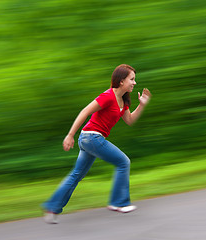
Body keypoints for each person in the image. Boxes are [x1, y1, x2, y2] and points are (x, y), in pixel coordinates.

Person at [42, 64, 151, 224]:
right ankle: (118, 202)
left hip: (90, 140)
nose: (134, 83)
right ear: (121, 81)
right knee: (123, 162)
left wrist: (141, 105)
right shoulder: (108, 96)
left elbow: (130, 120)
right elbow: (85, 111)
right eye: (132, 79)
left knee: (77, 175)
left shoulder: (123, 101)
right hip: (92, 138)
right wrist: (70, 135)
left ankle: (52, 207)